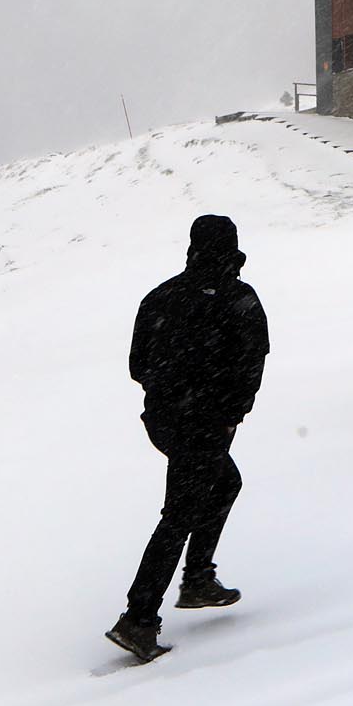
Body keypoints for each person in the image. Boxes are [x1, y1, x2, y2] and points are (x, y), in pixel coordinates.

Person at [106, 214, 271, 662]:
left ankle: (198, 578)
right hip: (207, 424)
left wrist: (172, 392)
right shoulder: (239, 299)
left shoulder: (161, 297)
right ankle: (139, 619)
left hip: (164, 420)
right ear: (233, 247)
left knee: (223, 484)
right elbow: (250, 367)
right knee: (179, 514)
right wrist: (227, 414)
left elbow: (138, 365)